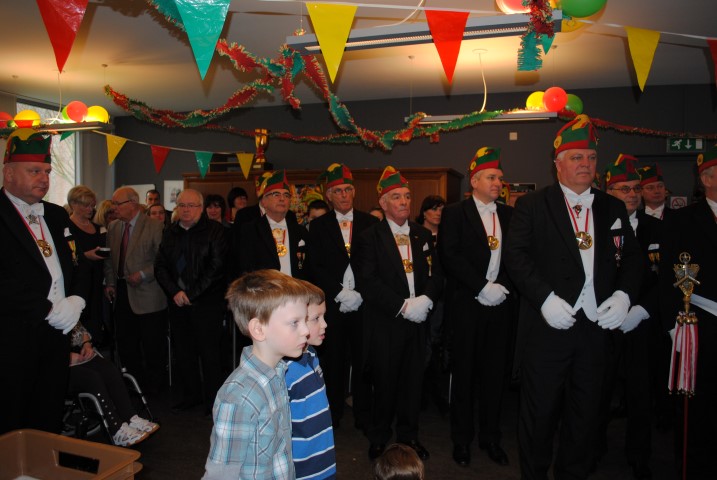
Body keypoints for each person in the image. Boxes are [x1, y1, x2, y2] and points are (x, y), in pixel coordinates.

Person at [503, 114, 643, 480]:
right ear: (558, 164)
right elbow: (515, 256)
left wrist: (624, 296)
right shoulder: (533, 205)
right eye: (577, 157)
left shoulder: (612, 206)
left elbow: (632, 258)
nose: (586, 164)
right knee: (539, 415)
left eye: (591, 157)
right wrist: (544, 298)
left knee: (587, 416)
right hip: (548, 328)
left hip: (595, 331)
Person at [354, 166, 443, 461]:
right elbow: (368, 281)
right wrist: (403, 306)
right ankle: (379, 436)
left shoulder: (422, 234)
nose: (404, 201)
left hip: (418, 322)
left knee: (413, 382)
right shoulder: (369, 237)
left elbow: (436, 273)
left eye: (407, 196)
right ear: (383, 202)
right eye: (396, 197)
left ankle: (409, 436)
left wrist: (427, 299)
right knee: (385, 381)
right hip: (387, 322)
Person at [0, 132, 87, 434]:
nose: (44, 178)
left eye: (47, 171)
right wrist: (46, 309)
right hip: (13, 336)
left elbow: (77, 263)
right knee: (12, 416)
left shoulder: (56, 214)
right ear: (9, 173)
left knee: (49, 411)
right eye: (34, 171)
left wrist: (77, 300)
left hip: (57, 335)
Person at [439, 147, 514, 467]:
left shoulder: (509, 215)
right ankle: (462, 440)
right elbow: (450, 255)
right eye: (492, 177)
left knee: (495, 377)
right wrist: (481, 287)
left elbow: (517, 256)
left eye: (499, 178)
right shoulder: (455, 213)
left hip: (501, 307)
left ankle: (491, 438)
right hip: (467, 307)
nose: (498, 183)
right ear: (475, 180)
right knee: (465, 377)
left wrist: (501, 288)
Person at [203, 269, 310, 480]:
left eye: (305, 320)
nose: (306, 330)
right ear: (259, 329)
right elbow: (220, 475)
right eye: (295, 322)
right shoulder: (238, 398)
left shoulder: (277, 374)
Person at [597, 155, 661, 479]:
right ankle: (593, 449)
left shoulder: (658, 227)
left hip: (641, 324)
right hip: (604, 323)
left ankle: (639, 456)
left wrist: (642, 309)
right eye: (625, 189)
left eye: (636, 188)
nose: (633, 195)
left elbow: (666, 278)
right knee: (598, 391)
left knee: (640, 395)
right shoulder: (597, 227)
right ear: (609, 191)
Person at [658, 146, 717, 479]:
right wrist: (673, 326)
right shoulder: (683, 220)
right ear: (706, 179)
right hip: (701, 322)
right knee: (698, 406)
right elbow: (670, 274)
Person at [308, 163, 378, 430]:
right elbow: (316, 266)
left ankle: (363, 413)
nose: (344, 195)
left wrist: (360, 292)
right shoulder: (318, 226)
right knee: (333, 361)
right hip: (333, 306)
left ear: (354, 191)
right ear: (329, 195)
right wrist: (339, 293)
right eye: (338, 191)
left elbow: (376, 264)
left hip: (364, 304)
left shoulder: (371, 223)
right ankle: (333, 413)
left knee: (364, 360)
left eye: (348, 189)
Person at [155, 189, 229, 414]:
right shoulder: (170, 231)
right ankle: (191, 396)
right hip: (177, 303)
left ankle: (213, 401)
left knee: (210, 354)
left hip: (206, 303)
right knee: (184, 353)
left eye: (191, 205)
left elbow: (217, 268)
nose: (186, 210)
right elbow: (160, 266)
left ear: (201, 208)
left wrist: (191, 294)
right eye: (182, 205)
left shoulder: (215, 230)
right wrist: (175, 292)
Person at [103, 187, 168, 391]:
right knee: (126, 344)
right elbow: (109, 260)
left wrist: (142, 274)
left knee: (152, 344)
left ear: (132, 203)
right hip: (122, 293)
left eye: (117, 204)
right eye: (113, 204)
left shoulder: (154, 226)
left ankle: (155, 388)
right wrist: (110, 282)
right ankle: (134, 386)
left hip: (149, 294)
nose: (113, 208)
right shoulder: (113, 227)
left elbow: (162, 260)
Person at [68, 322, 159, 447]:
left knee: (110, 369)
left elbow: (79, 329)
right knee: (92, 377)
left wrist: (87, 345)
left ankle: (130, 417)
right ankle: (115, 428)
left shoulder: (65, 310)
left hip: (77, 356)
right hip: (54, 366)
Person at [285, 280, 337, 480]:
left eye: (324, 316)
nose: (325, 324)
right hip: (302, 470)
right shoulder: (287, 371)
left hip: (324, 463)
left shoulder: (312, 356)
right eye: (316, 318)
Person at [237, 170, 309, 279]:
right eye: (276, 194)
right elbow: (244, 267)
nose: (282, 199)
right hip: (264, 287)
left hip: (295, 287)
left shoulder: (300, 231)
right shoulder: (250, 230)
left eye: (286, 195)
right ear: (264, 202)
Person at [68, 186, 108, 346]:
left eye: (92, 205)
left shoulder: (98, 228)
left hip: (97, 283)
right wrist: (85, 256)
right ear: (73, 204)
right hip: (77, 284)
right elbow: (65, 258)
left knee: (96, 325)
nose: (90, 209)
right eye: (86, 205)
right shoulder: (66, 228)